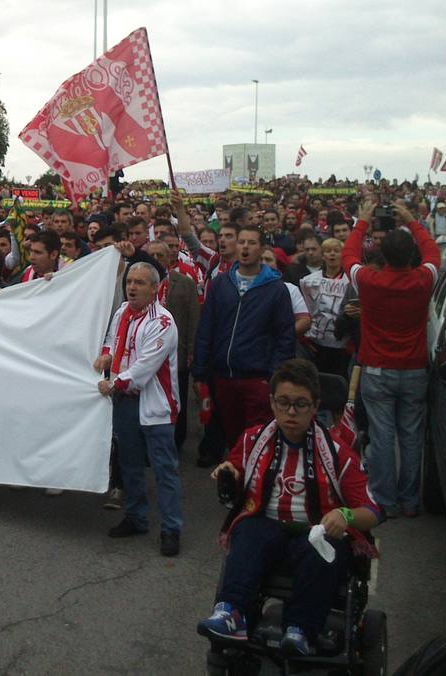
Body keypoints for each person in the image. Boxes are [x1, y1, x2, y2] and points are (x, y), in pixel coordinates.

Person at [199, 359, 380, 657]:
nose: (291, 412)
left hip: (314, 533)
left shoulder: (338, 453)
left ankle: (301, 630)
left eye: (300, 404)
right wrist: (228, 471)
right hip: (267, 529)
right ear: (272, 402)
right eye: (283, 403)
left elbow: (373, 511)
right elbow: (236, 468)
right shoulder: (253, 441)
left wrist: (345, 515)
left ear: (315, 406)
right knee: (249, 531)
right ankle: (231, 613)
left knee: (322, 545)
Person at [344, 197, 439, 517]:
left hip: (377, 369)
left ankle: (384, 501)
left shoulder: (370, 281)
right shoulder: (425, 278)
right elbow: (433, 252)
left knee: (383, 436)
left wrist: (362, 221)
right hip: (413, 370)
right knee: (411, 436)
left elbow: (348, 256)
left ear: (382, 253)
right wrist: (412, 219)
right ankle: (410, 501)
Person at [95, 262, 183, 557]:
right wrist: (106, 357)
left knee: (164, 470)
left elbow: (144, 368)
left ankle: (171, 528)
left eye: (140, 283)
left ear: (155, 288)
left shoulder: (163, 322)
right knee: (130, 464)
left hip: (154, 407)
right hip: (125, 404)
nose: (132, 287)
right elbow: (111, 341)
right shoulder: (122, 313)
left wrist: (114, 383)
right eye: (130, 281)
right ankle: (136, 517)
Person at [193, 225, 296, 450]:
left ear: (261, 249)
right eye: (242, 242)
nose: (245, 247)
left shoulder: (276, 289)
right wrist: (200, 370)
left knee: (257, 441)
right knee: (232, 440)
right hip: (223, 377)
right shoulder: (221, 283)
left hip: (257, 378)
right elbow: (207, 327)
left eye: (251, 243)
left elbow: (285, 337)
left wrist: (273, 374)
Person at [147, 240, 199, 451]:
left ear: (170, 259)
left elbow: (192, 320)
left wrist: (191, 352)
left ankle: (176, 443)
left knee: (177, 401)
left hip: (176, 355)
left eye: (161, 255)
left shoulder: (185, 283)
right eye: (152, 256)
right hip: (147, 356)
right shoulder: (137, 283)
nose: (157, 260)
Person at [298, 238, 352, 376]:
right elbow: (307, 309)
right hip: (316, 344)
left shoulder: (350, 281)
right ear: (323, 256)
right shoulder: (309, 281)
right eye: (328, 251)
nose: (332, 254)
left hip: (342, 345)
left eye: (336, 251)